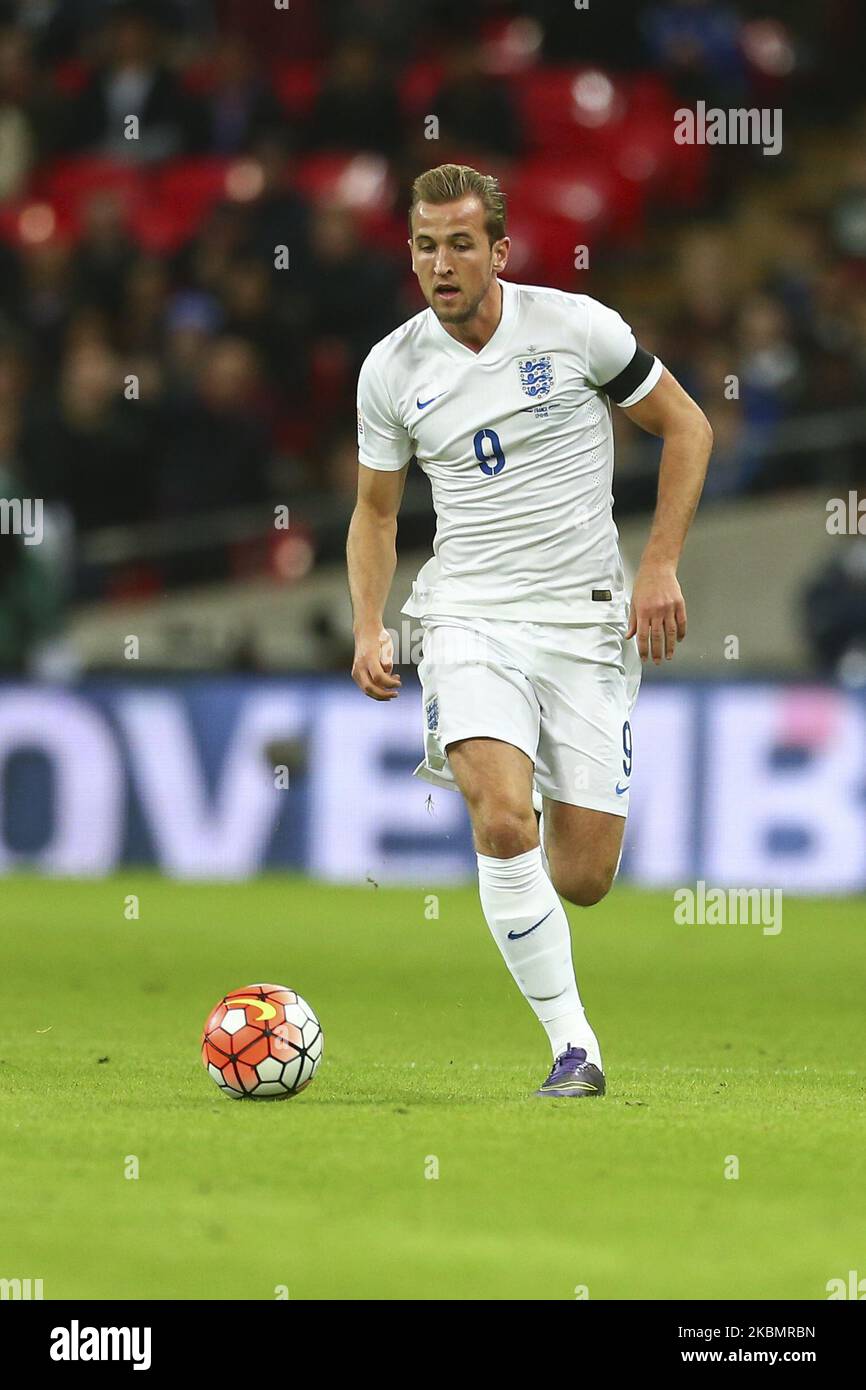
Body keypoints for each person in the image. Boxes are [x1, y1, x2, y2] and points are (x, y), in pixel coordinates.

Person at [347, 164, 713, 1099]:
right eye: (425, 245)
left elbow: (687, 428)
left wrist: (660, 565)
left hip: (585, 622)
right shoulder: (392, 370)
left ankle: (538, 801)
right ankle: (575, 1047)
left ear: (498, 251)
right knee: (501, 818)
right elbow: (378, 515)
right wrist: (367, 624)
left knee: (583, 874)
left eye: (460, 244)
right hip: (467, 615)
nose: (441, 263)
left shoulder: (577, 328)